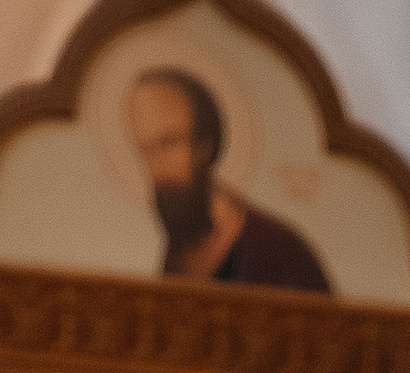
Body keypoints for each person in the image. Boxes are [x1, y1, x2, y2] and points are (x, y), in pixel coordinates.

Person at [121, 66, 332, 293]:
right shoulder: (177, 256)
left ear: (205, 145)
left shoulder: (277, 250)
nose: (157, 166)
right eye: (146, 150)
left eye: (168, 144)